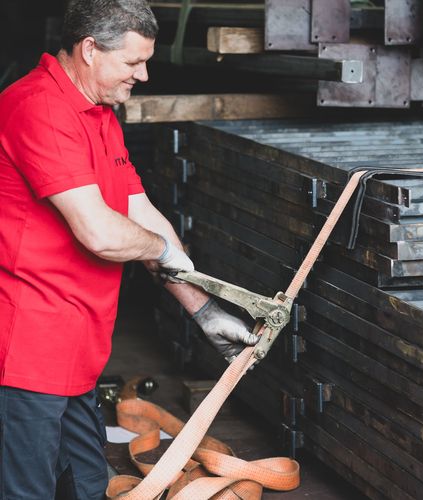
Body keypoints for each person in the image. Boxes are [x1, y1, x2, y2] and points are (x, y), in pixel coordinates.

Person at [0, 1, 258, 498]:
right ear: (89, 50)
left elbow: (141, 214)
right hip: (29, 351)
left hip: (78, 351)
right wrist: (162, 250)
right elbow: (100, 232)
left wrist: (204, 310)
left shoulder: (99, 113)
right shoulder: (38, 107)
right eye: (133, 62)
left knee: (88, 484)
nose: (143, 75)